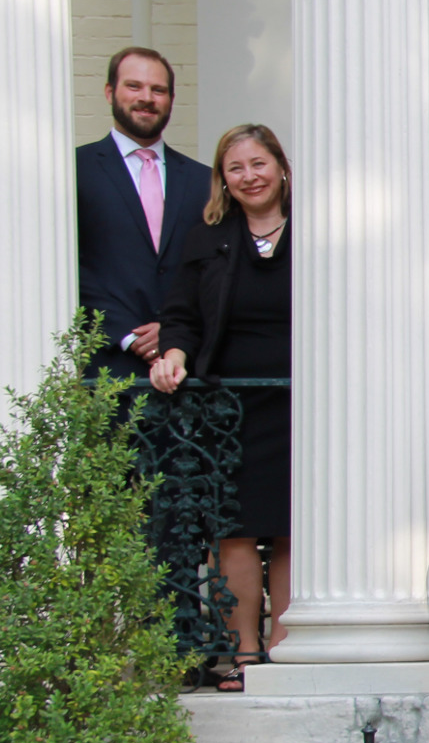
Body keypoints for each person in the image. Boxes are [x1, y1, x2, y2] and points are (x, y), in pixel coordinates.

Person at [150, 123, 294, 690]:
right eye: (236, 168)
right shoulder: (208, 237)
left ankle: (284, 649)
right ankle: (243, 653)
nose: (249, 176)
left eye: (258, 164)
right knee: (235, 530)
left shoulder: (313, 234)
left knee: (289, 529)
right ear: (224, 180)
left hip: (296, 402)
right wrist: (174, 353)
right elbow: (181, 311)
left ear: (280, 167)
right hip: (230, 403)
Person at [76, 46, 211, 378]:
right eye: (134, 86)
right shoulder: (73, 170)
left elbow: (215, 269)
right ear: (110, 92)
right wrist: (126, 333)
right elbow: (67, 266)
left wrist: (173, 330)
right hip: (105, 368)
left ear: (171, 98)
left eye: (158, 90)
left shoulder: (204, 181)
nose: (147, 97)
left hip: (186, 371)